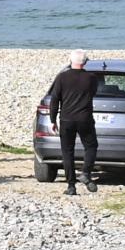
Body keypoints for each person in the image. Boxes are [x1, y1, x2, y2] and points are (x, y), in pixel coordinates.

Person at [43, 51, 101, 195]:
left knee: (67, 151)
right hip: (85, 118)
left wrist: (52, 120)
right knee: (91, 146)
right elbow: (93, 93)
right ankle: (86, 173)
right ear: (85, 62)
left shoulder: (62, 77)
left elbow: (55, 99)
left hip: (67, 119)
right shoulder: (91, 78)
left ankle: (71, 186)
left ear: (70, 60)